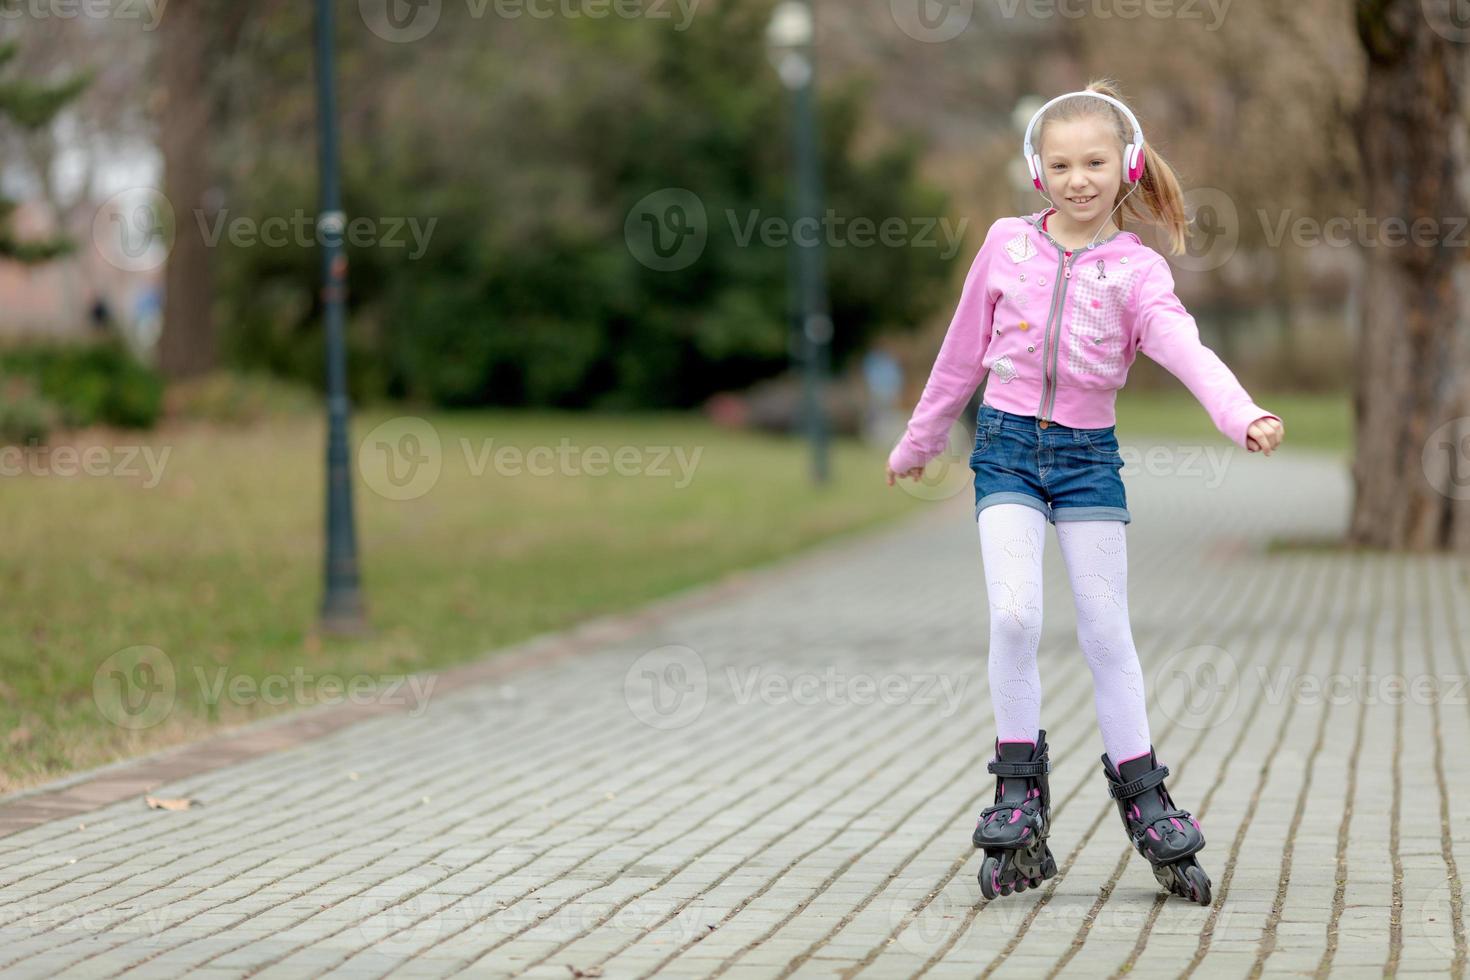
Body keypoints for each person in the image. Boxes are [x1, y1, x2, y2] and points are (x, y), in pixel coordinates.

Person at [883, 79, 1285, 905]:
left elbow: (1184, 347)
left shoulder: (1138, 272)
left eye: (1095, 162)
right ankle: (1018, 790)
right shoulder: (1004, 244)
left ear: (1126, 166)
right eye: (1061, 164)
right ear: (1038, 170)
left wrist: (1240, 412)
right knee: (1016, 613)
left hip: (1086, 460)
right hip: (1002, 452)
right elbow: (960, 356)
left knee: (1106, 629)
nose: (1078, 179)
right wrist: (920, 442)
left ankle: (1145, 793)